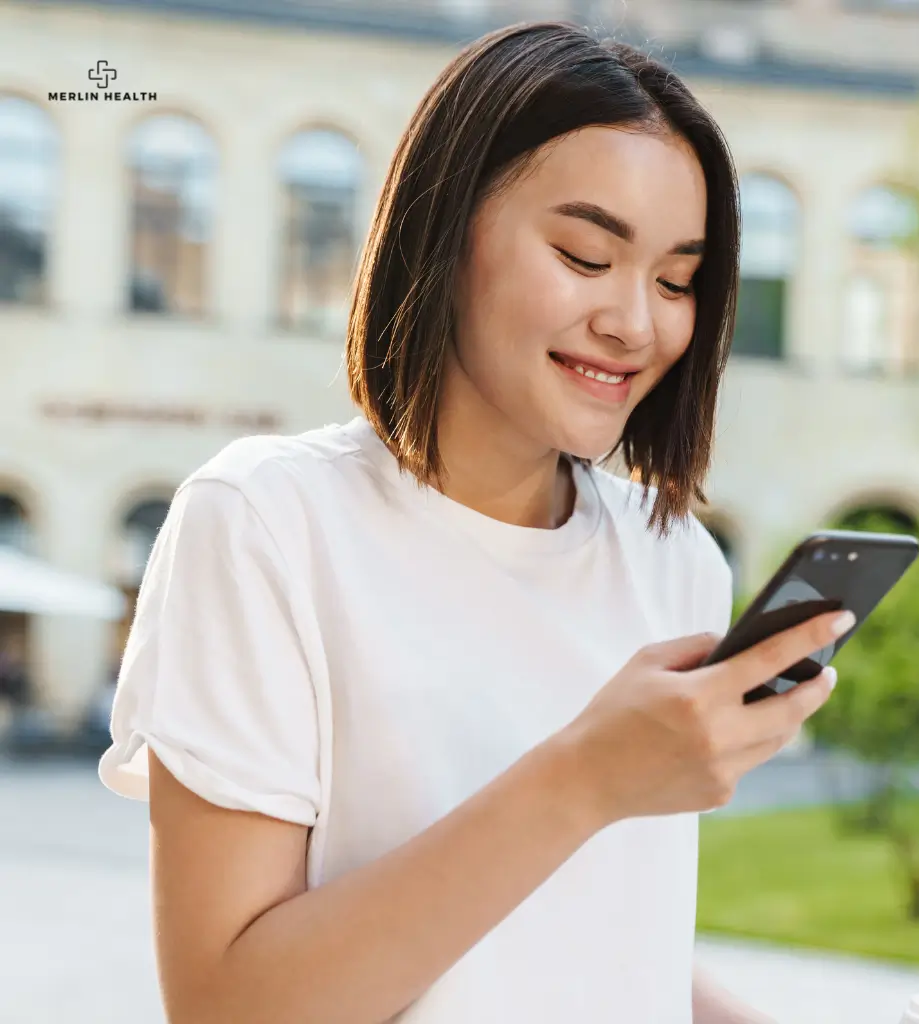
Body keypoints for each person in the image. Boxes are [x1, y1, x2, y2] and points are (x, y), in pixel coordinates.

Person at [99, 22, 853, 1024]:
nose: (636, 322)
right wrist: (584, 778)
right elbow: (229, 1006)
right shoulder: (267, 525)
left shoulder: (675, 563)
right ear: (446, 233)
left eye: (677, 280)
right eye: (587, 255)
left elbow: (587, 943)